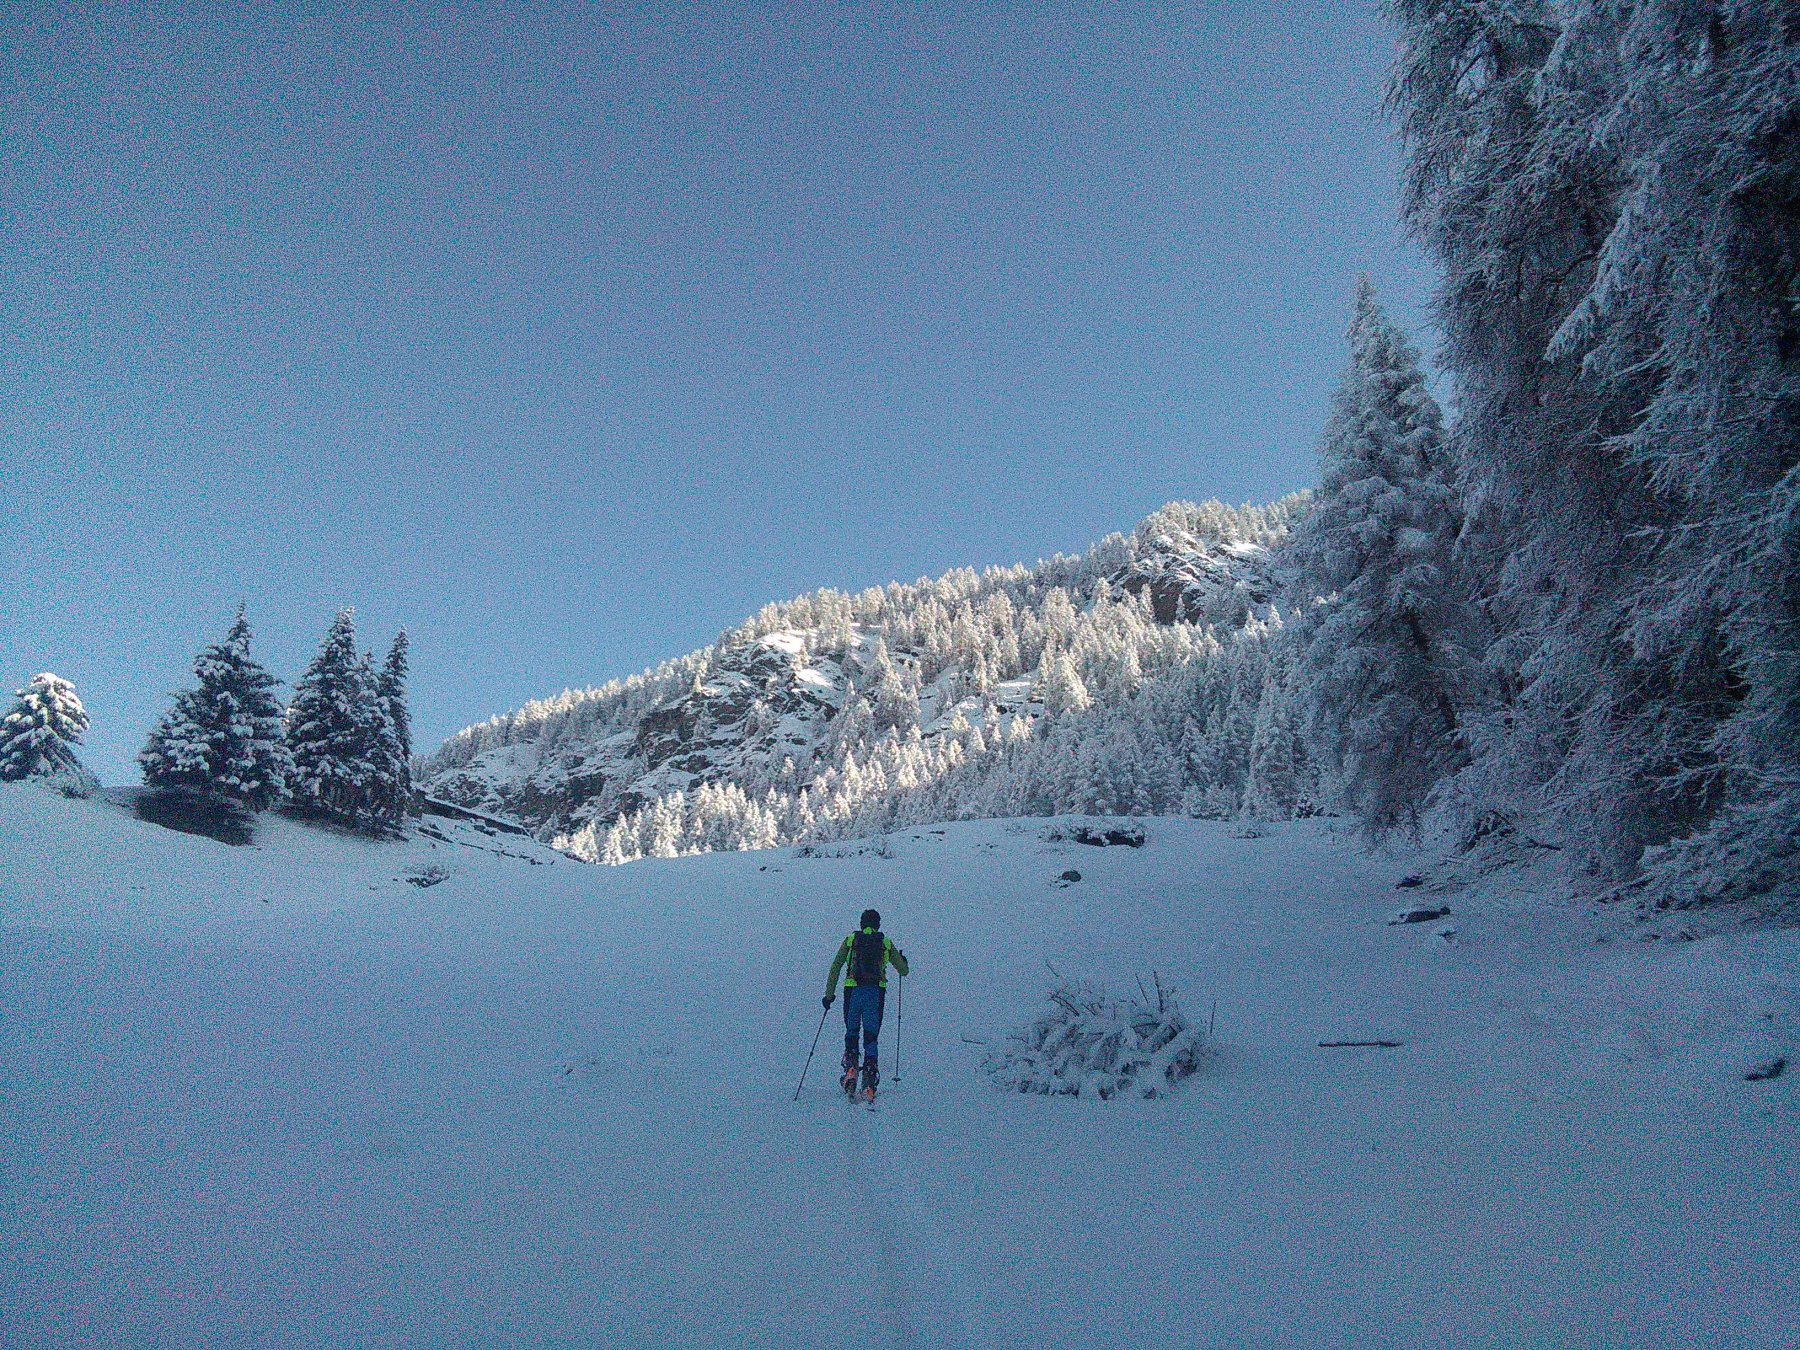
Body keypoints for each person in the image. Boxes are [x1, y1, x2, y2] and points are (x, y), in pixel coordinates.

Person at [822, 908, 909, 1102]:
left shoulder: (851, 940)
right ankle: (869, 1082)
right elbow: (903, 971)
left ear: (862, 924)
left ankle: (851, 1070)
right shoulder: (884, 942)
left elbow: (835, 967)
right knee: (871, 1036)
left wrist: (829, 996)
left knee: (852, 1031)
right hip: (875, 992)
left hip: (852, 991)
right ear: (878, 924)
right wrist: (903, 961)